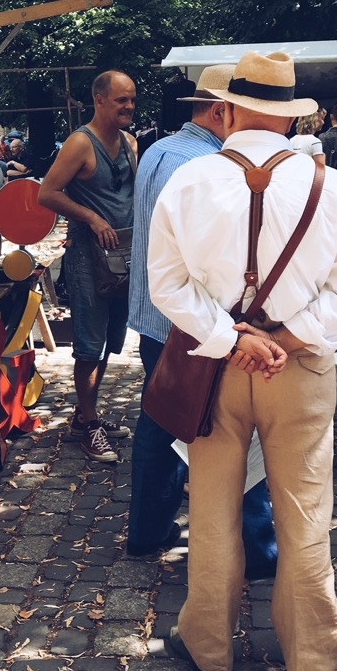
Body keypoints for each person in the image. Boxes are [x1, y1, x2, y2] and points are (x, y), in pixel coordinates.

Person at [148, 50, 337, 671]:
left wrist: (233, 340)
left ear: (226, 109)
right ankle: (312, 660)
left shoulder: (189, 182)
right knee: (304, 511)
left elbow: (166, 287)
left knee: (213, 512)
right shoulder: (331, 186)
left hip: (214, 371)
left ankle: (210, 646)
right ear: (288, 114)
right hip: (299, 370)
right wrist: (283, 338)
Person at [126, 64, 277, 575]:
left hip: (160, 316)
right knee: (224, 430)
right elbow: (209, 260)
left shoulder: (160, 150)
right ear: (221, 109)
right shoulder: (205, 164)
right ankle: (254, 547)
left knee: (163, 417)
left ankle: (148, 530)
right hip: (188, 320)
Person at [38, 71, 137, 462]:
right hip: (87, 258)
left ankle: (85, 414)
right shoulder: (80, 143)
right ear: (100, 100)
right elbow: (47, 193)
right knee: (89, 345)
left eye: (132, 99)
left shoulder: (130, 142)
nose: (129, 106)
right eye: (121, 100)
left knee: (112, 339)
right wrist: (92, 219)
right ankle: (89, 423)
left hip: (123, 255)